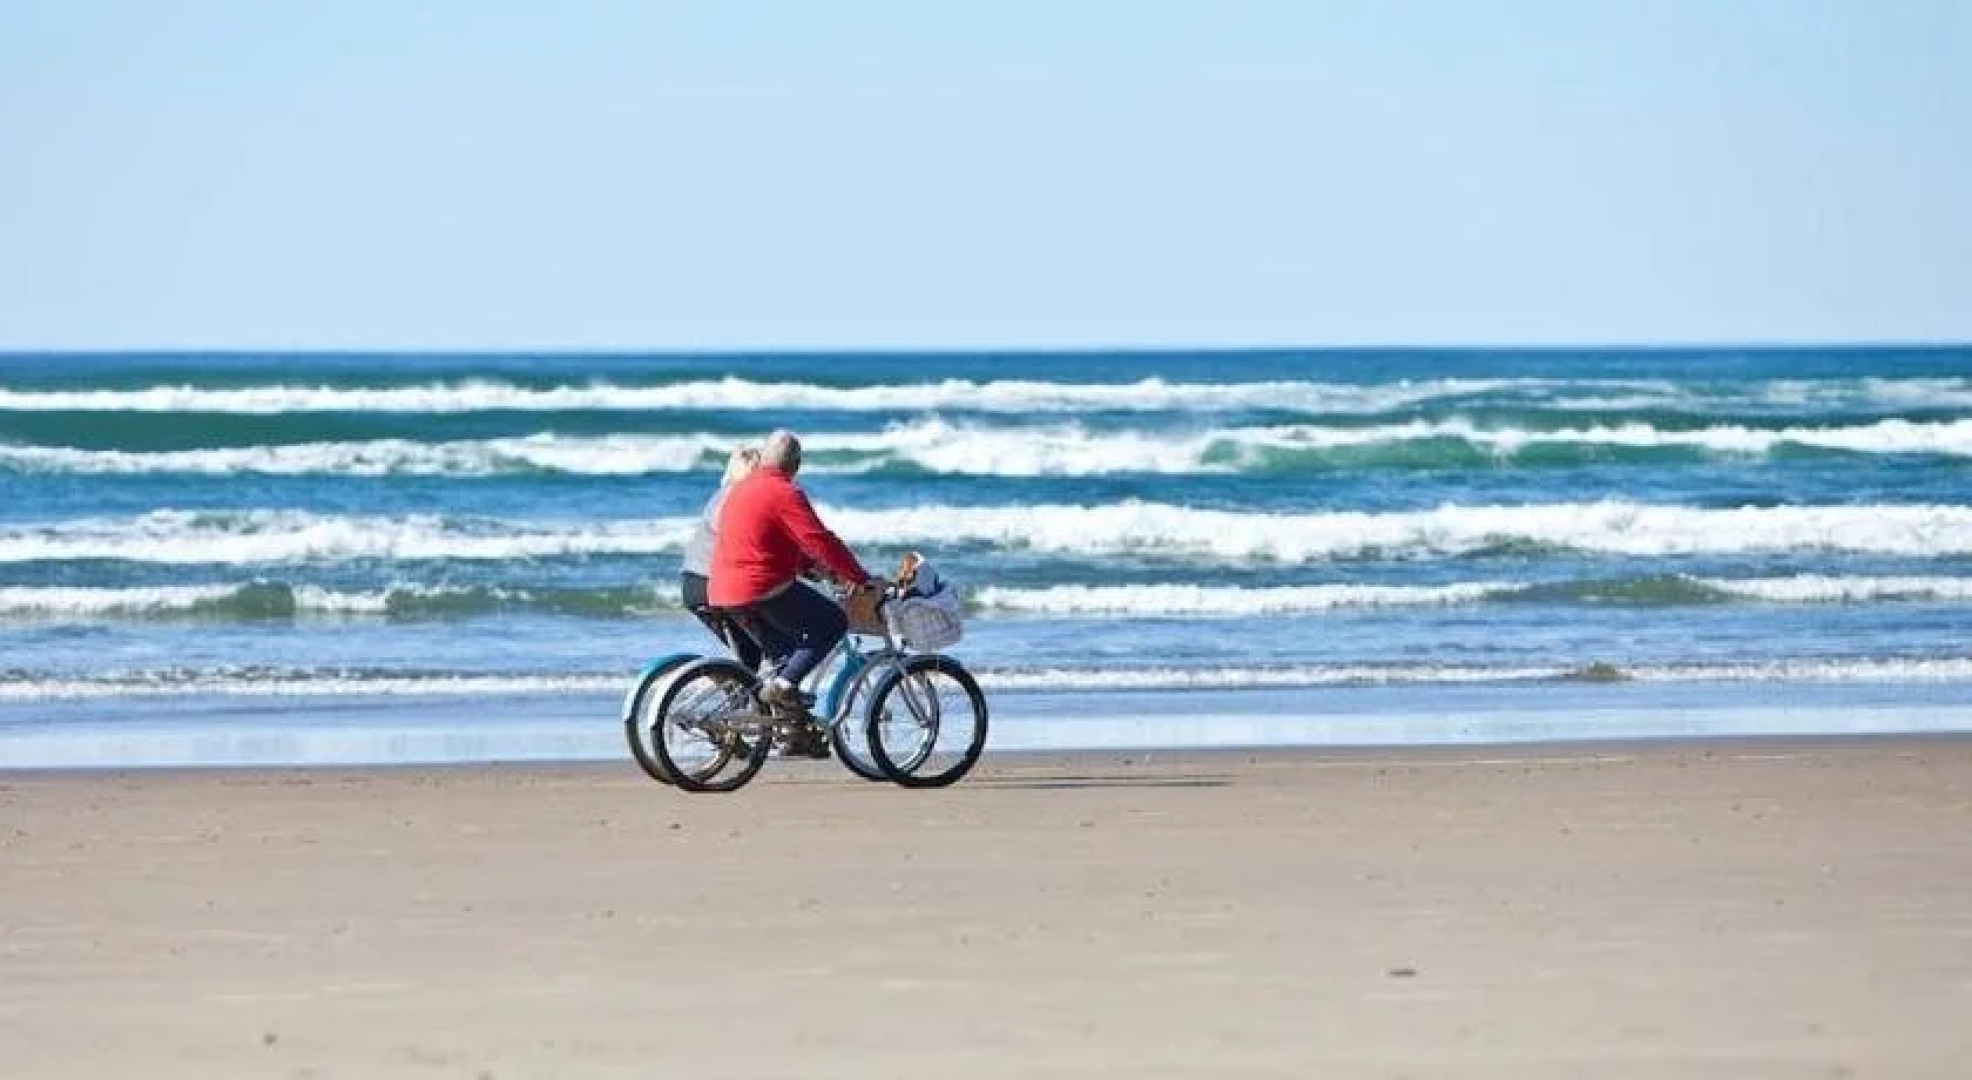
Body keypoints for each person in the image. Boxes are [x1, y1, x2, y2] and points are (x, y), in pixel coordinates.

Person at [708, 430, 882, 720]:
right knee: (833, 622)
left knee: (788, 656)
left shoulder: (740, 490)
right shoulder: (785, 493)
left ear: (763, 459)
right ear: (796, 466)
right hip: (759, 588)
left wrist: (811, 569)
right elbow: (819, 540)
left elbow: (768, 541)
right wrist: (860, 577)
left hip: (724, 591)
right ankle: (785, 688)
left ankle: (790, 730)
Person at [679, 445, 764, 673]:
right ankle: (749, 698)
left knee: (750, 654)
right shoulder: (735, 497)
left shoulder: (721, 495)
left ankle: (743, 697)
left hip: (694, 582)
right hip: (713, 584)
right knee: (771, 643)